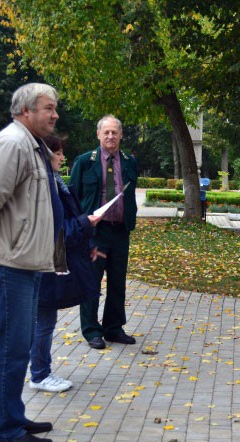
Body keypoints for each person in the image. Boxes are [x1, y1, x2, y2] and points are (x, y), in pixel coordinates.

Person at [0, 83, 64, 442]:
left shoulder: (32, 144)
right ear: (25, 110)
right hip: (9, 261)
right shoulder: (12, 143)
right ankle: (4, 430)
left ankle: (12, 415)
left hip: (26, 260)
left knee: (19, 346)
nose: (55, 115)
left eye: (55, 108)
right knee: (11, 347)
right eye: (48, 108)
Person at [29, 135, 102, 392]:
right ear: (47, 154)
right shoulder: (44, 187)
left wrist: (88, 242)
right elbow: (56, 231)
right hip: (44, 262)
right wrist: (87, 223)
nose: (62, 157)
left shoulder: (56, 182)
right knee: (44, 319)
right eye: (58, 153)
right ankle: (39, 374)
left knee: (44, 318)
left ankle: (40, 371)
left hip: (49, 261)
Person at [69, 115, 139, 349]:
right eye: (106, 132)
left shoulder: (129, 162)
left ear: (121, 135)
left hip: (120, 231)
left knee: (118, 282)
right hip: (94, 234)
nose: (110, 136)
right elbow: (73, 197)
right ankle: (91, 330)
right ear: (98, 134)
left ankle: (114, 328)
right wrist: (79, 228)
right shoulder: (84, 162)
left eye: (115, 132)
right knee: (91, 281)